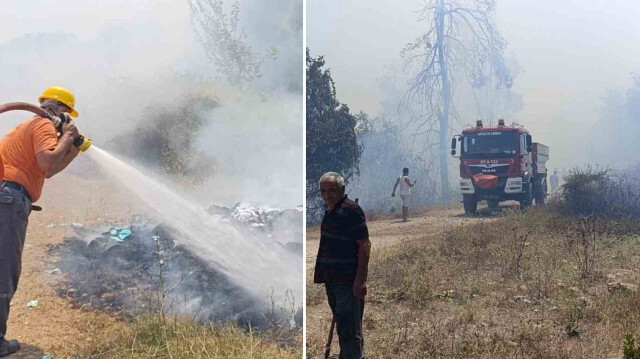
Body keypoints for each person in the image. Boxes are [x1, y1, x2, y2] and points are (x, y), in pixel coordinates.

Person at [0, 86, 81, 357]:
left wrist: (72, 148)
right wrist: (66, 136)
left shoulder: (32, 126)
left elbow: (49, 171)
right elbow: (48, 163)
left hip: (6, 198)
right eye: (68, 117)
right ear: (62, 112)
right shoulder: (44, 125)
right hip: (8, 200)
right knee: (4, 270)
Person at [314, 172, 371, 359]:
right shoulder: (331, 211)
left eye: (332, 190)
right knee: (343, 324)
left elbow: (364, 245)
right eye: (323, 191)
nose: (327, 195)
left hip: (348, 280)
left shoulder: (351, 210)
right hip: (332, 280)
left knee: (349, 327)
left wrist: (360, 281)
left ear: (342, 189)